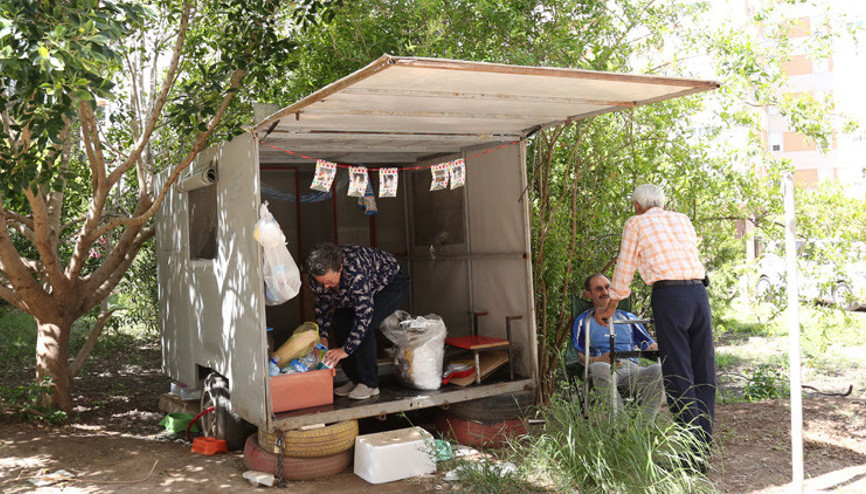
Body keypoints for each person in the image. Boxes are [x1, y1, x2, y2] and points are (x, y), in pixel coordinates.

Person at [595, 184, 715, 466]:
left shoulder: (636, 223)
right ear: (663, 202)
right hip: (699, 294)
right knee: (703, 371)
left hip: (670, 297)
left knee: (677, 373)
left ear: (637, 205)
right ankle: (702, 451)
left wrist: (611, 308)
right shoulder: (682, 219)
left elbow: (624, 271)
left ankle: (691, 456)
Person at [306, 243, 409, 400]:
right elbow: (322, 305)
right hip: (360, 290)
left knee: (365, 326)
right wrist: (323, 336)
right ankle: (355, 379)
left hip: (390, 284)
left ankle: (369, 383)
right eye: (322, 283)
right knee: (339, 321)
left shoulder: (355, 271)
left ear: (340, 268)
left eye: (330, 282)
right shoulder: (316, 278)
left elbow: (364, 318)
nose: (326, 286)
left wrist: (345, 350)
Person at [572, 273, 664, 421]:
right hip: (603, 366)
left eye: (608, 287)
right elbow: (580, 357)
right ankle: (621, 424)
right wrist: (601, 359)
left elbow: (648, 344)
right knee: (599, 368)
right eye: (599, 289)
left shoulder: (628, 318)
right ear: (589, 294)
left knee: (658, 370)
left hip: (631, 368)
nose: (605, 292)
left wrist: (667, 347)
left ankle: (646, 425)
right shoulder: (584, 321)